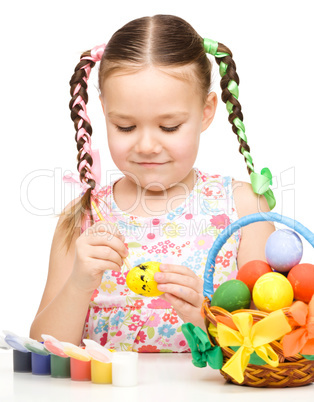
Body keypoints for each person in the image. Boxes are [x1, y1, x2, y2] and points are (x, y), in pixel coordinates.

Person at [30, 14, 276, 352]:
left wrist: (206, 319)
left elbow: (274, 344)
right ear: (104, 111)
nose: (146, 145)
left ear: (206, 112)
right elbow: (43, 350)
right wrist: (78, 284)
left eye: (170, 126)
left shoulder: (244, 209)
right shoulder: (84, 216)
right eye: (126, 127)